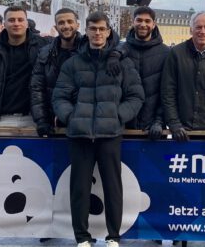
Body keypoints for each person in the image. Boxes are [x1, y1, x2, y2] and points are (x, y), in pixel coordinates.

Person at [52, 12, 144, 247]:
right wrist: (71, 117)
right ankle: (82, 236)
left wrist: (117, 116)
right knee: (80, 189)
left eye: (102, 29)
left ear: (108, 31)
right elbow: (60, 95)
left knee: (113, 187)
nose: (97, 33)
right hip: (80, 135)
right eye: (93, 29)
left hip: (110, 134)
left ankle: (113, 235)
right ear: (87, 30)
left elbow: (135, 96)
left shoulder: (122, 62)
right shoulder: (73, 63)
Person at [161, 11, 205, 144]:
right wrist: (174, 123)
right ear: (191, 30)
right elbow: (168, 93)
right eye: (198, 27)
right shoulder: (176, 54)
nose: (203, 31)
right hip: (182, 132)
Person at [0, 6, 50, 135]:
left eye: (20, 20)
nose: (16, 23)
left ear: (27, 23)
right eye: (11, 20)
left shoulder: (43, 46)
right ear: (4, 24)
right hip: (2, 119)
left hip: (34, 119)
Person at [108, 6, 170, 140]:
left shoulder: (166, 53)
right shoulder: (120, 50)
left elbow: (167, 92)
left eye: (147, 21)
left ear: (154, 24)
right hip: (123, 126)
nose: (143, 24)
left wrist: (159, 121)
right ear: (133, 22)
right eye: (139, 20)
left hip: (153, 129)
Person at [30, 8, 81, 137]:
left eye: (70, 21)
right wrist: (41, 120)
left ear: (77, 25)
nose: (66, 26)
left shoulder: (88, 49)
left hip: (82, 122)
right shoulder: (45, 53)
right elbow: (37, 88)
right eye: (61, 23)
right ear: (56, 26)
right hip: (54, 123)